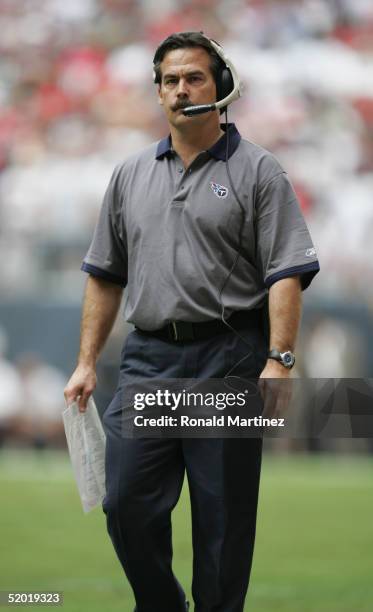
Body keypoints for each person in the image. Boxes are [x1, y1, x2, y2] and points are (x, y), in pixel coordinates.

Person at [64, 31, 320, 612]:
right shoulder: (129, 174)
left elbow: (285, 271)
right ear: (157, 93)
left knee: (222, 521)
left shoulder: (261, 171)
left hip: (224, 360)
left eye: (195, 77)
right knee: (125, 503)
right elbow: (105, 274)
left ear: (221, 87)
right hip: (149, 362)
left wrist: (280, 360)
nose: (182, 90)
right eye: (170, 80)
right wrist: (84, 362)